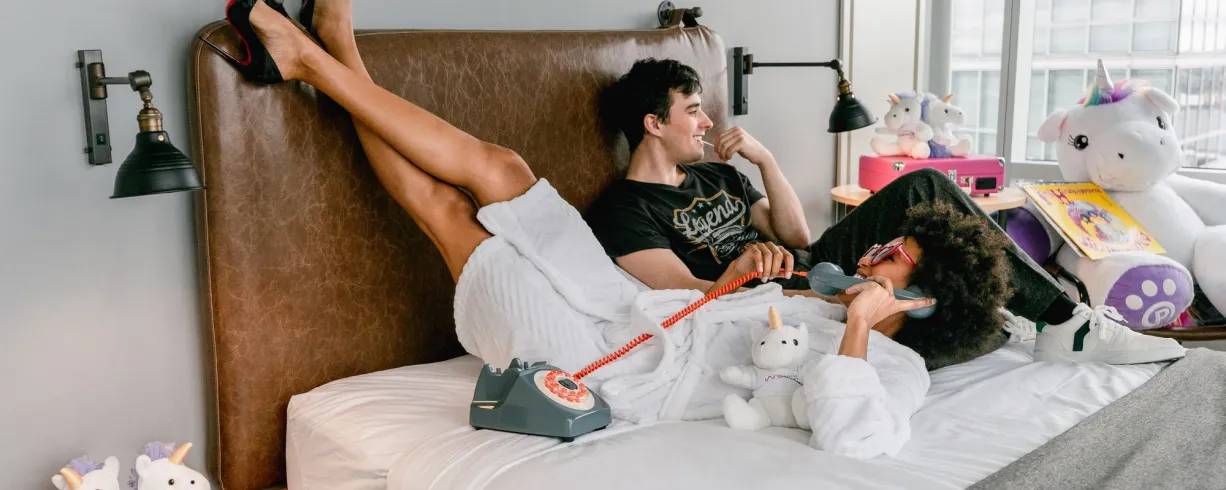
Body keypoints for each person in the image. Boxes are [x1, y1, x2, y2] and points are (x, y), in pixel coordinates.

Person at [217, 0, 1182, 457]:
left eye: (895, 259)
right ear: (654, 123)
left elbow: (854, 438)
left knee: (443, 216)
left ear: (919, 299)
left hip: (618, 365)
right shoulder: (655, 220)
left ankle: (323, 61)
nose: (877, 249)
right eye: (889, 244)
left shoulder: (888, 367)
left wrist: (847, 318)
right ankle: (334, 59)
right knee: (502, 170)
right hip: (627, 299)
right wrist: (755, 283)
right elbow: (693, 298)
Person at [586, 58, 1187, 370]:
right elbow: (685, 297)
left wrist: (765, 159)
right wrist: (739, 268)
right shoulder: (622, 210)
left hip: (811, 262)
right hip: (760, 295)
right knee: (973, 314)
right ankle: (1050, 326)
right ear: (654, 123)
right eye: (693, 110)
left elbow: (797, 234)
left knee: (924, 188)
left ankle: (1060, 319)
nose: (707, 121)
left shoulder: (716, 174)